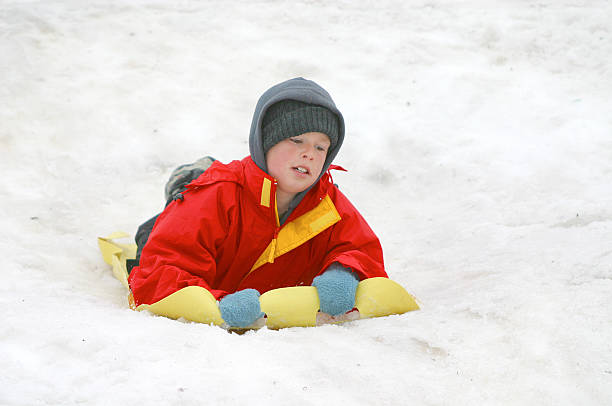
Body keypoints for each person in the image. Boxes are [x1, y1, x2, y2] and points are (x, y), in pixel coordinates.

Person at [128, 77, 388, 328]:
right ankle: (188, 179)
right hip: (191, 220)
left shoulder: (327, 203)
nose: (309, 153)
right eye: (297, 140)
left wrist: (343, 272)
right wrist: (217, 302)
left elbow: (361, 250)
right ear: (266, 142)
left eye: (321, 148)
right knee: (171, 214)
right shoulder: (218, 193)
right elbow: (160, 270)